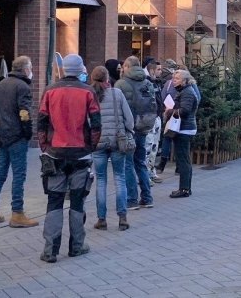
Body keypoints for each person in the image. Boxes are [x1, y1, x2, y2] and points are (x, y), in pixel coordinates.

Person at [37, 54, 100, 263]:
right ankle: (77, 245)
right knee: (77, 200)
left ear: (64, 69)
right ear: (80, 69)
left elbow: (42, 122)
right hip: (80, 153)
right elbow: (96, 125)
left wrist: (45, 146)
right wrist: (90, 146)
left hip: (55, 153)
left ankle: (50, 249)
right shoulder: (88, 92)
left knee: (54, 201)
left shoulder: (49, 90)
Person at [0, 56, 39, 228]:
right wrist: (28, 132)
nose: (32, 71)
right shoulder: (23, 87)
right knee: (19, 175)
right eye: (30, 67)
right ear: (25, 69)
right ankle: (17, 212)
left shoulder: (1, 84)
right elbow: (25, 112)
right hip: (16, 136)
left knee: (0, 172)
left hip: (2, 135)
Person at [89, 66, 132, 231]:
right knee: (120, 178)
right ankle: (122, 217)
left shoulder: (90, 95)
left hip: (97, 142)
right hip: (117, 140)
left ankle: (102, 219)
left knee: (101, 180)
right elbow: (129, 119)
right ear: (108, 78)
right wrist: (129, 130)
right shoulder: (117, 94)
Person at [114, 56, 157, 210]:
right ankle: (147, 197)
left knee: (128, 163)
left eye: (123, 66)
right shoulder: (147, 82)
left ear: (126, 66)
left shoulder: (121, 83)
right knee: (140, 162)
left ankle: (132, 199)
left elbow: (117, 108)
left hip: (129, 128)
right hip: (144, 125)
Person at [168, 69, 199, 198]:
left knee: (183, 159)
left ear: (185, 80)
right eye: (174, 78)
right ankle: (185, 188)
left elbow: (185, 110)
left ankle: (185, 189)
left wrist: (171, 111)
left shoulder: (187, 92)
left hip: (184, 129)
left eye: (177, 78)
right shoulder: (185, 90)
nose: (174, 80)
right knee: (183, 158)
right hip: (183, 127)